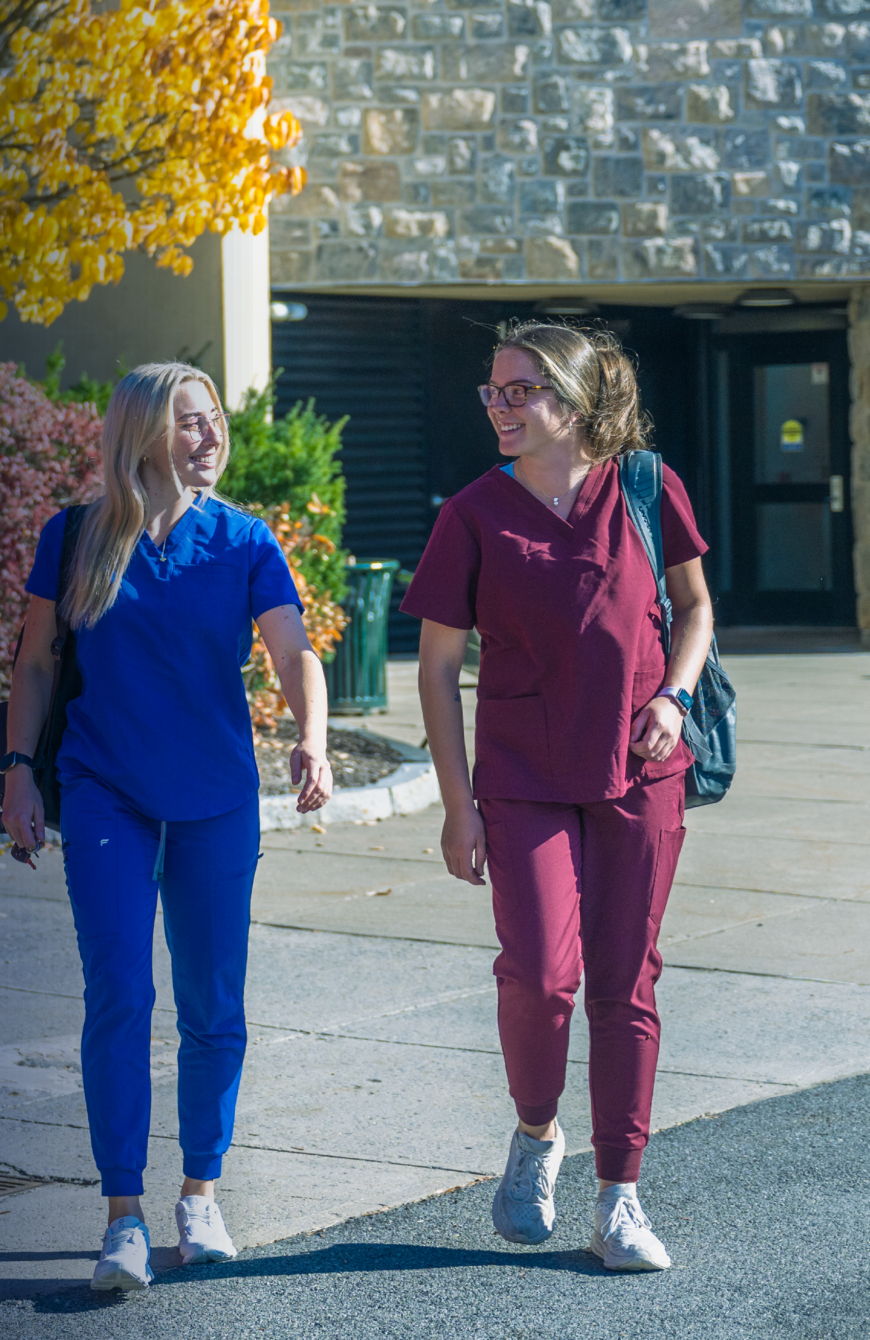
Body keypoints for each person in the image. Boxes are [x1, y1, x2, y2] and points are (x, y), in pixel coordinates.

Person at [0, 361, 334, 1292]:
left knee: (213, 1007)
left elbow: (293, 651)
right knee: (119, 996)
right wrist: (17, 772)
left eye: (215, 419)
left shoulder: (243, 541)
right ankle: (122, 1216)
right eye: (191, 421)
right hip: (106, 789)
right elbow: (34, 666)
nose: (210, 435)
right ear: (142, 431)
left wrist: (311, 739)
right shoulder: (73, 538)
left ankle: (199, 1194)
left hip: (216, 801)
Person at [402, 321, 713, 1273]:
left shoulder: (648, 488)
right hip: (525, 776)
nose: (499, 406)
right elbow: (438, 668)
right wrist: (458, 805)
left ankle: (620, 1198)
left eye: (519, 390)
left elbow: (694, 608)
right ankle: (537, 1135)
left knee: (627, 983)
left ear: (574, 404)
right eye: (492, 391)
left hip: (638, 771)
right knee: (538, 977)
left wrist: (675, 694)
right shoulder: (471, 515)